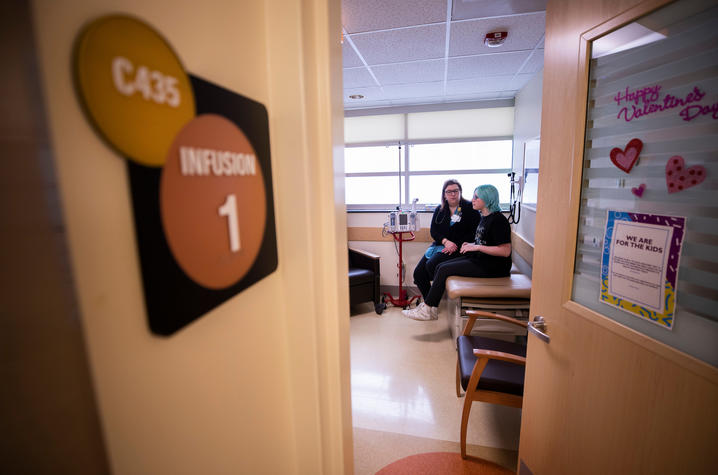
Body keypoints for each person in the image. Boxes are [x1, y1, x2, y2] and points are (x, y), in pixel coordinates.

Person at [403, 184, 512, 321]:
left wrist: (476, 247)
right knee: (439, 267)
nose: (473, 200)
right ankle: (429, 307)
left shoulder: (498, 220)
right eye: (473, 196)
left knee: (442, 269)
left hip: (493, 266)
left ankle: (429, 310)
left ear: (487, 199)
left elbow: (505, 251)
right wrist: (472, 244)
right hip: (481, 259)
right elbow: (486, 242)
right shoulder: (485, 217)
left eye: (476, 197)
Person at [406, 179, 480, 320]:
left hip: (460, 248)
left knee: (431, 265)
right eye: (449, 192)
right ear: (444, 194)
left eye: (455, 191)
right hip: (442, 245)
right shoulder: (440, 210)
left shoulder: (470, 208)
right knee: (418, 274)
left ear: (460, 192)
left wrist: (454, 245)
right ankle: (431, 307)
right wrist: (446, 242)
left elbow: (473, 234)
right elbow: (434, 231)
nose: (452, 194)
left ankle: (429, 306)